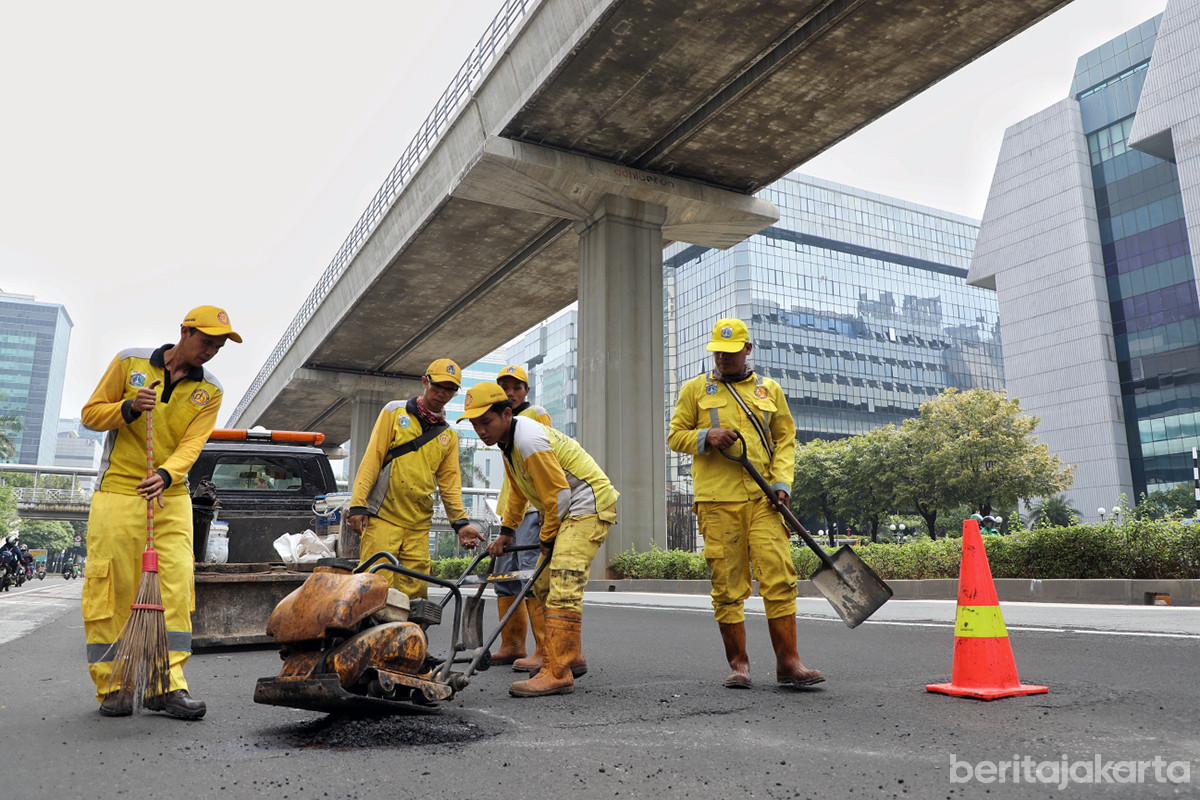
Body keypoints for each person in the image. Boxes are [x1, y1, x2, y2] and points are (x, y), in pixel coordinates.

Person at [81, 305, 242, 719]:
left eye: (219, 345)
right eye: (206, 341)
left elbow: (192, 445)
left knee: (174, 588)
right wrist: (129, 408)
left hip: (171, 497)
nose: (211, 350)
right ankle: (115, 684)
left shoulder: (211, 390)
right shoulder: (129, 362)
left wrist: (168, 475)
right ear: (184, 331)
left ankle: (165, 685)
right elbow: (90, 414)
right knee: (113, 588)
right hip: (118, 492)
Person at [668, 317, 823, 690]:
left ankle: (789, 662)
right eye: (718, 353)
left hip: (764, 499)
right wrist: (707, 435)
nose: (723, 359)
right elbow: (675, 435)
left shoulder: (769, 391)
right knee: (727, 584)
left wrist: (783, 483)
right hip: (717, 501)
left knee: (779, 576)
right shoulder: (694, 390)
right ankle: (739, 665)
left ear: (747, 350)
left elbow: (785, 439)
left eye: (731, 353)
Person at [459, 381, 618, 697]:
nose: (481, 431)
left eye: (486, 422)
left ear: (507, 413)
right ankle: (568, 656)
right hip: (569, 506)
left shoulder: (529, 439)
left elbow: (558, 494)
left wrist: (547, 537)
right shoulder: (508, 443)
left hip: (587, 503)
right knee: (542, 583)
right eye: (475, 425)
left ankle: (557, 672)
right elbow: (519, 491)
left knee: (564, 579)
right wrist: (506, 531)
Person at [347, 359, 482, 599]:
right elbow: (372, 458)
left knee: (415, 591)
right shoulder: (394, 412)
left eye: (450, 389)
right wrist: (358, 505)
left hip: (418, 525)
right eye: (437, 386)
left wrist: (460, 523)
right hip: (383, 517)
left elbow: (450, 483)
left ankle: (409, 636)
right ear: (424, 382)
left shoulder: (448, 435)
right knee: (375, 587)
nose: (442, 393)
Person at [486, 365, 552, 671]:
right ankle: (512, 644)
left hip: (533, 510)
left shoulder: (535, 414)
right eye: (505, 388)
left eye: (516, 387)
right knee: (504, 579)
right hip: (511, 510)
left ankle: (544, 649)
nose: (510, 393)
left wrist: (546, 509)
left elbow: (545, 460)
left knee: (532, 579)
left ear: (526, 390)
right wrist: (506, 525)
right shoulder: (498, 422)